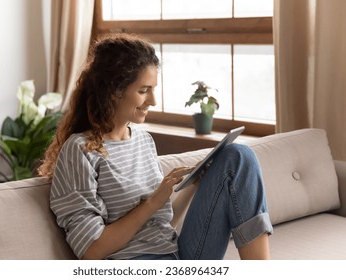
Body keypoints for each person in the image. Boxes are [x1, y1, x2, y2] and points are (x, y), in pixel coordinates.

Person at [38, 33, 273, 260]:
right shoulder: (80, 150)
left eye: (154, 89)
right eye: (143, 91)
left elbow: (160, 220)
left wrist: (198, 183)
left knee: (238, 155)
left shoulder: (143, 140)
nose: (153, 101)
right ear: (112, 91)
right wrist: (153, 202)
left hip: (176, 254)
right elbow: (91, 250)